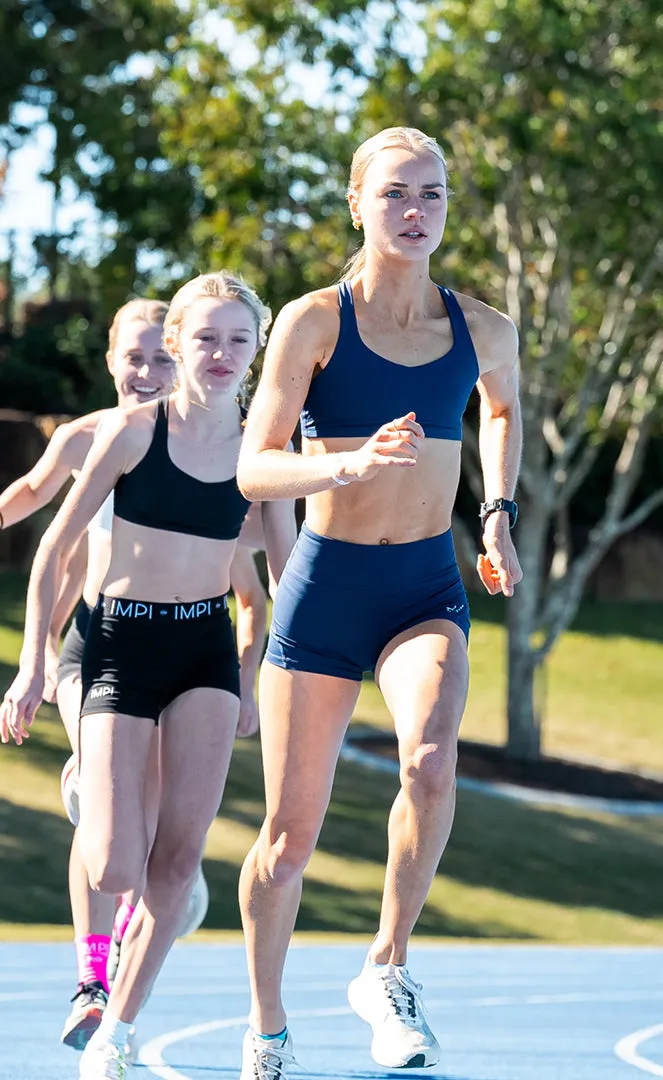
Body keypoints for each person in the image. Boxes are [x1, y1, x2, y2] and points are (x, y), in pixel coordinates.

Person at [235, 126, 523, 1077]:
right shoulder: (313, 321)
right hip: (326, 588)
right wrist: (349, 462)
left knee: (432, 764)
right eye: (396, 193)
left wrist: (496, 513)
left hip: (423, 590)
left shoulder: (484, 328)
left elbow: (503, 409)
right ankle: (267, 1025)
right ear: (357, 203)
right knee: (287, 840)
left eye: (433, 195)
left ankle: (387, 967)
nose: (415, 211)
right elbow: (252, 466)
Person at [0, 297, 291, 1052]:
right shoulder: (116, 436)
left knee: (175, 858)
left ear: (256, 351)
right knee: (112, 862)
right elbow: (48, 529)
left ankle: (115, 1020)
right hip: (109, 644)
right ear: (149, 351)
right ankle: (96, 791)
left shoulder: (259, 452)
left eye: (237, 341)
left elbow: (277, 575)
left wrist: (267, 670)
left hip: (201, 650)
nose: (214, 355)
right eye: (198, 340)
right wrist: (30, 657)